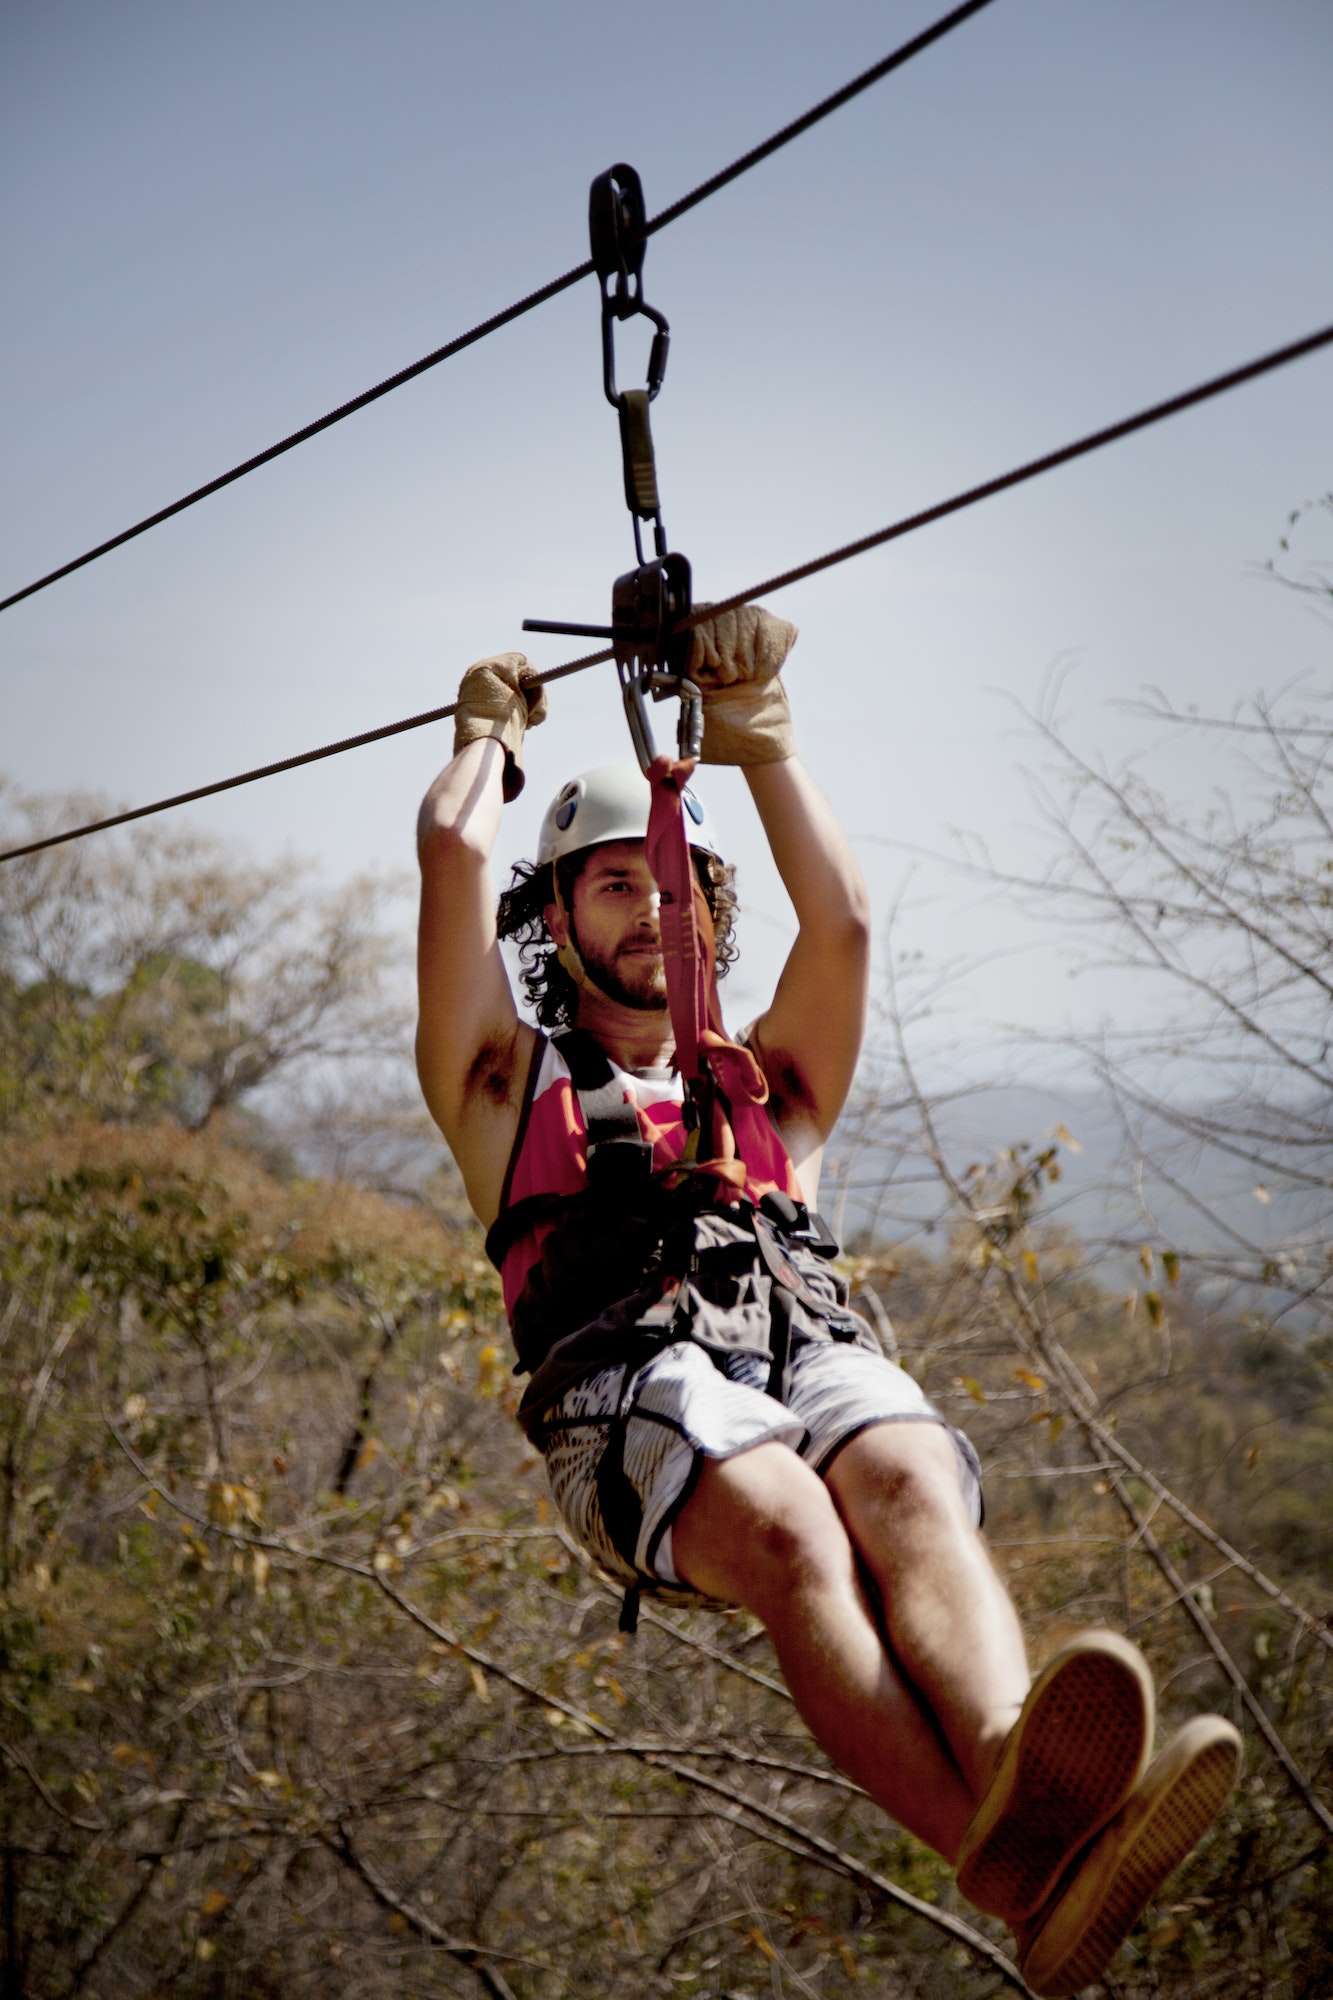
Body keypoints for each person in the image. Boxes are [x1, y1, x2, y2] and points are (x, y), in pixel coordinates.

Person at [414, 607, 1240, 1996]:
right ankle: (1004, 1870)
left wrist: (761, 736)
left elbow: (843, 920)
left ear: (708, 913)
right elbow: (448, 854)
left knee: (910, 1473)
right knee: (795, 1529)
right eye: (607, 888)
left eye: (665, 888)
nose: (646, 911)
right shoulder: (506, 1083)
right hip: (629, 1398)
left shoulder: (769, 1085)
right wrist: (482, 745)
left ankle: (1020, 1796)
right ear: (555, 917)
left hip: (800, 1347)